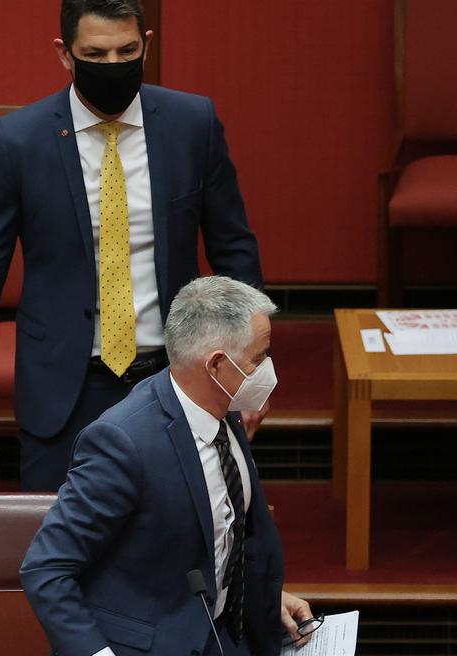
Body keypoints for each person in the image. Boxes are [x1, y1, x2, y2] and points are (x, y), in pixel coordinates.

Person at [0, 0, 264, 491]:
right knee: (63, 553)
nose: (112, 65)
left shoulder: (192, 125)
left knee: (176, 553)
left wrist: (248, 375)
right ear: (64, 53)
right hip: (63, 389)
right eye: (94, 55)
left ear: (147, 44)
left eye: (126, 51)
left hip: (175, 377)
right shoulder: (19, 142)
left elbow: (235, 253)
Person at [20, 276, 312, 656]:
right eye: (259, 357)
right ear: (218, 365)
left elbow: (221, 534)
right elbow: (45, 568)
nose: (268, 369)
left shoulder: (226, 410)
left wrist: (266, 597)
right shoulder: (122, 442)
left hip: (225, 632)